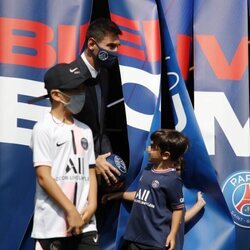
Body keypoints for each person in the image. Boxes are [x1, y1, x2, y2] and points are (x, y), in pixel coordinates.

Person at [30, 63, 99, 250]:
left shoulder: (85, 130)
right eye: (76, 89)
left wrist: (92, 204)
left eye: (82, 88)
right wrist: (70, 210)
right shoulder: (43, 129)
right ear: (56, 95)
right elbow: (44, 177)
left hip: (87, 223)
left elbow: (90, 171)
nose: (82, 93)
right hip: (53, 224)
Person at [108, 129, 188, 250]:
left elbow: (178, 209)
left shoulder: (173, 180)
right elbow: (143, 195)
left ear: (165, 155)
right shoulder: (147, 169)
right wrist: (119, 195)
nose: (148, 149)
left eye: (153, 147)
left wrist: (172, 234)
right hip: (133, 237)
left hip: (154, 241)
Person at [70, 18, 123, 186]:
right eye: (111, 46)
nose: (115, 52)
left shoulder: (104, 74)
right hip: (72, 173)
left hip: (96, 174)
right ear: (92, 44)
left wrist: (110, 165)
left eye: (118, 47)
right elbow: (64, 130)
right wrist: (92, 160)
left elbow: (100, 126)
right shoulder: (70, 79)